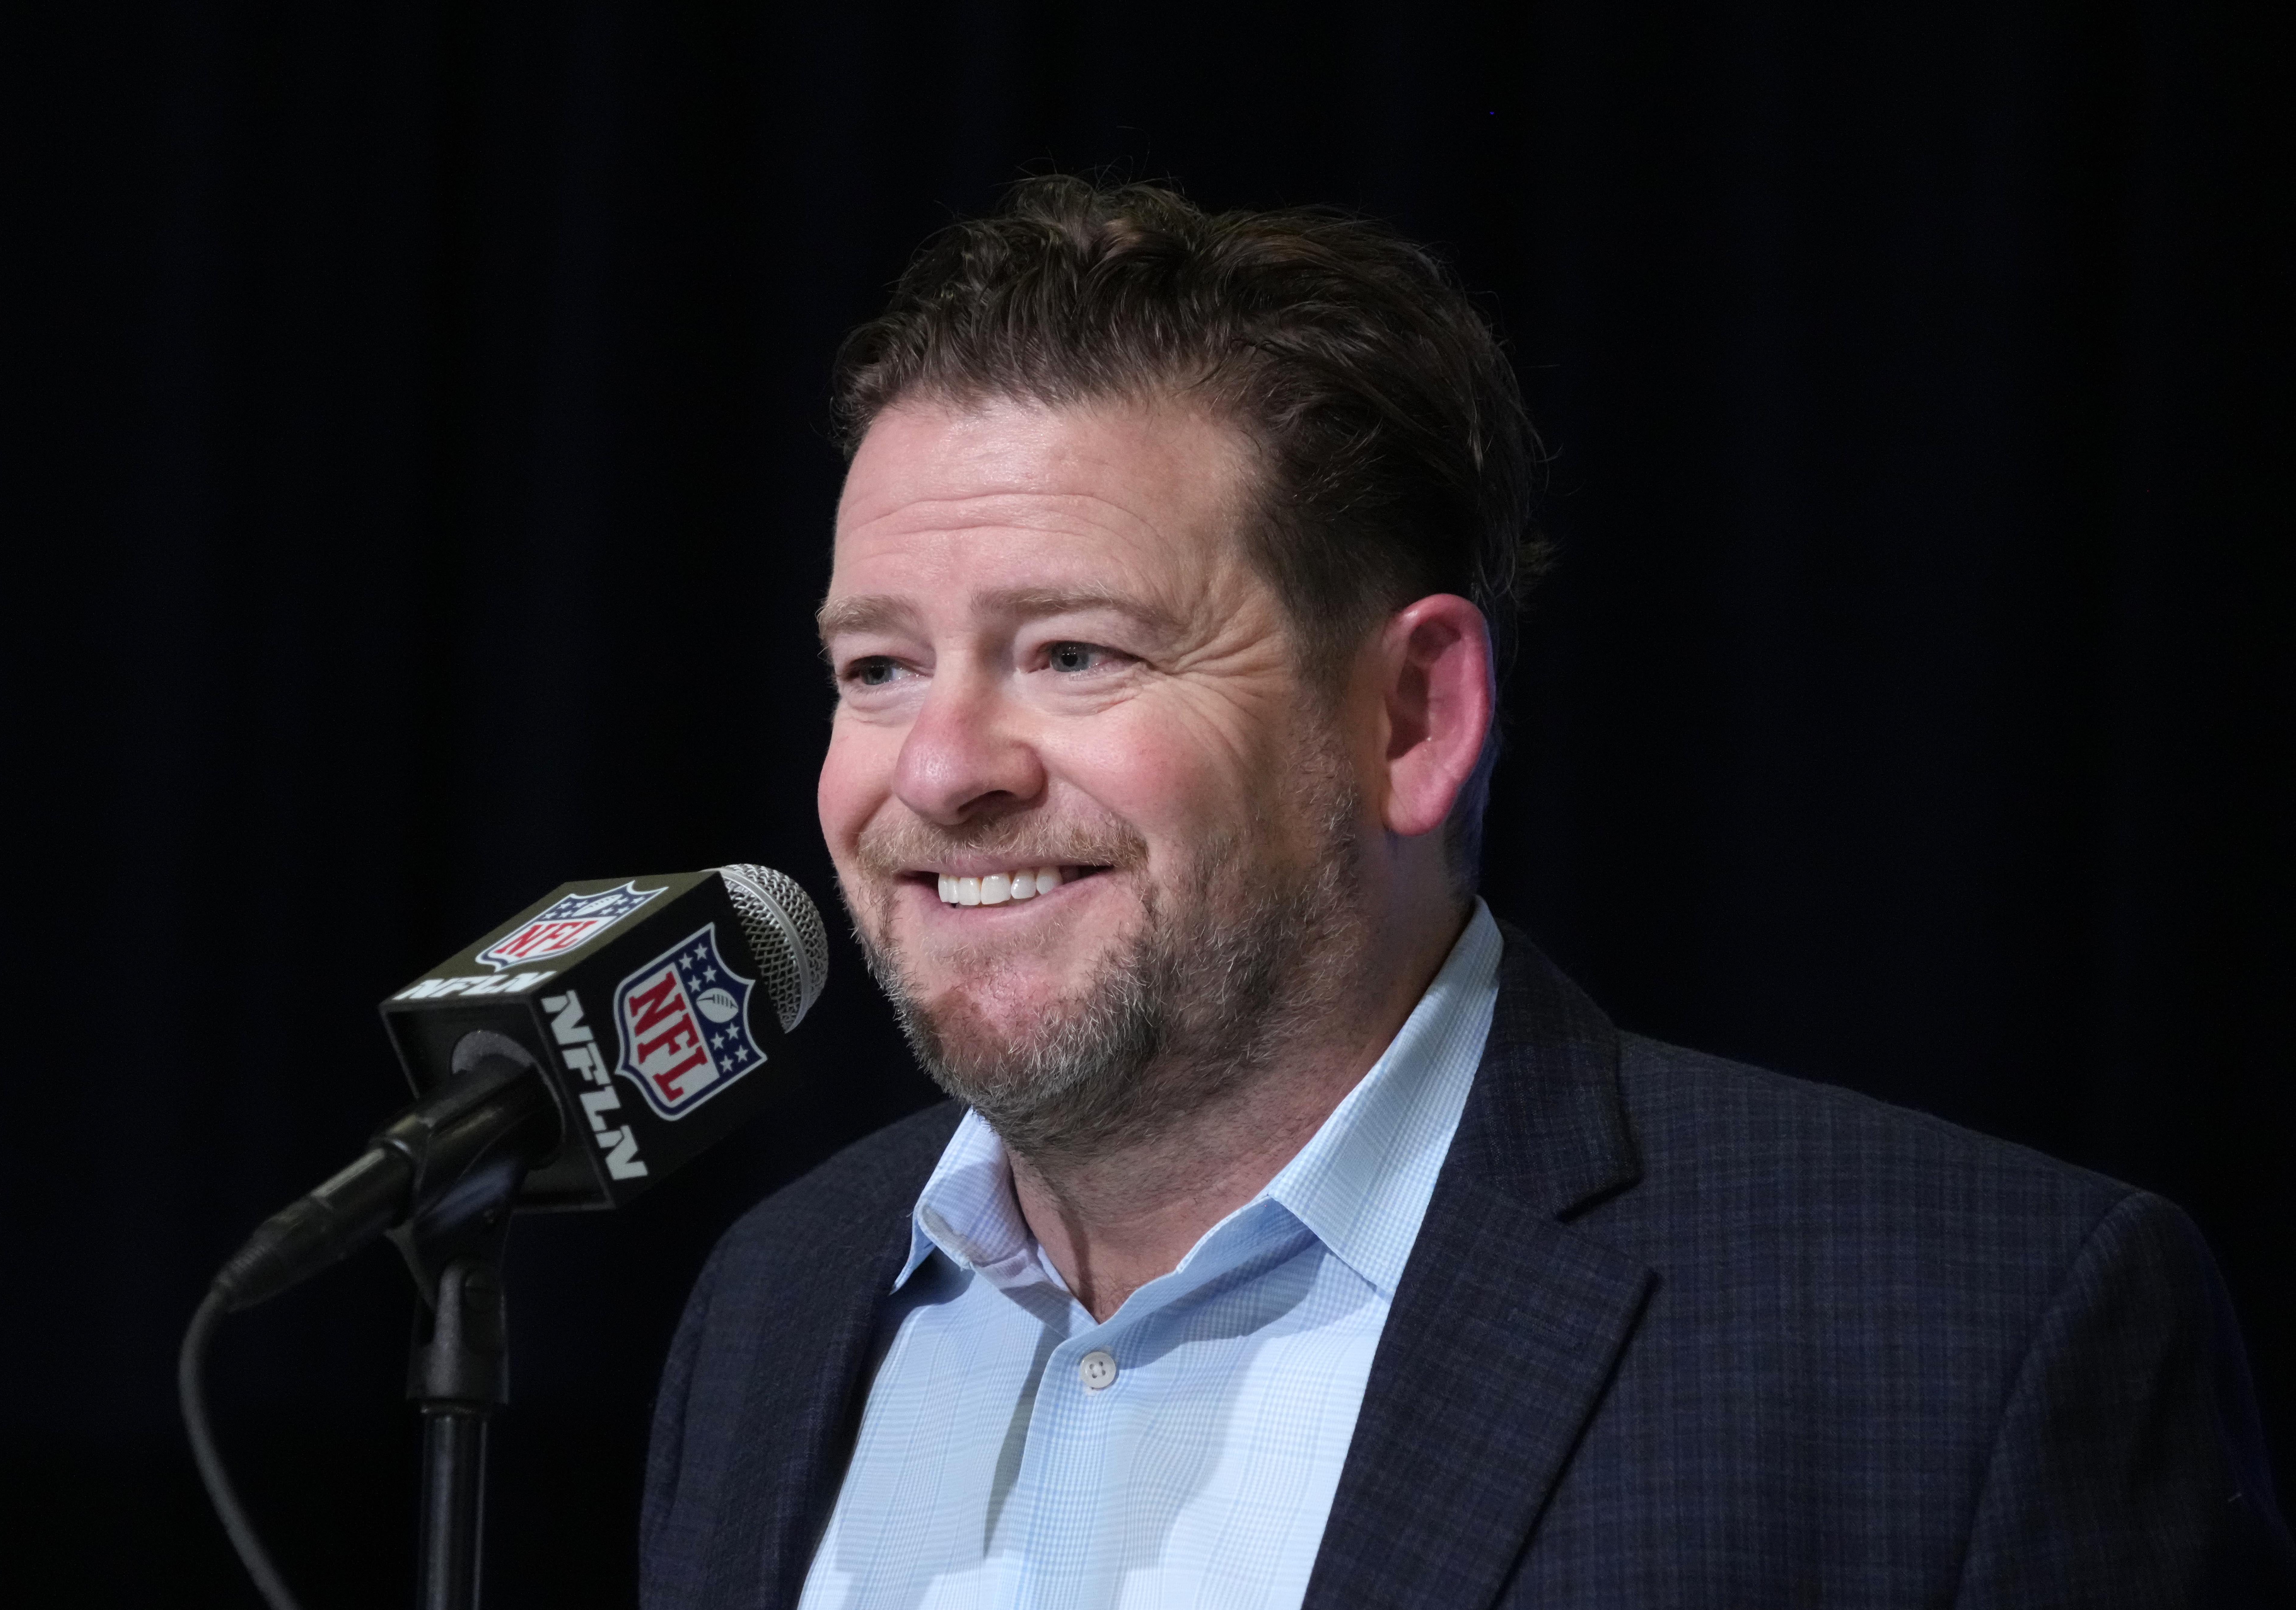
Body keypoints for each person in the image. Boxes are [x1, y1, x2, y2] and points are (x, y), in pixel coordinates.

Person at [639, 177, 2293, 1609]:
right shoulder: (776, 1302)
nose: (937, 772)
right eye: (875, 666)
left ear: (1411, 715)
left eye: (1074, 652)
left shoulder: (1961, 1335)